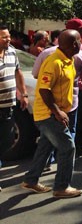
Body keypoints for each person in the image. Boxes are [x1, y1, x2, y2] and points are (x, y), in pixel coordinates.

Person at [22, 30, 82, 198]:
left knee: (45, 147)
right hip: (48, 114)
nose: (81, 43)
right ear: (74, 44)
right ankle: (61, 187)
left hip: (58, 112)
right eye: (79, 40)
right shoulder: (53, 62)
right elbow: (44, 90)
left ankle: (31, 180)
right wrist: (57, 112)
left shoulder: (69, 60)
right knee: (67, 147)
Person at [0, 24, 29, 193]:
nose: (8, 39)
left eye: (8, 36)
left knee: (8, 141)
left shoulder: (11, 51)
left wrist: (24, 94)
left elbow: (18, 72)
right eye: (4, 37)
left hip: (8, 106)